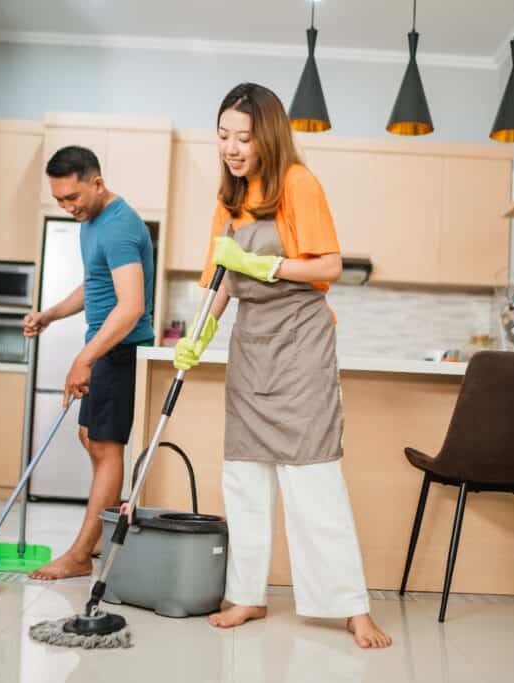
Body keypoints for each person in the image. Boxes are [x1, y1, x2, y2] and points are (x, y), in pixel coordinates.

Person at [174, 83, 392, 649]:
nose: (231, 147)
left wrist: (264, 265)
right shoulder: (228, 200)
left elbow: (330, 265)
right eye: (223, 136)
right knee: (244, 478)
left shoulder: (298, 182)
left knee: (313, 478)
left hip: (300, 346)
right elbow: (220, 282)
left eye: (243, 137)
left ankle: (350, 607)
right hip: (252, 348)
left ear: (266, 135)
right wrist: (198, 335)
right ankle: (246, 594)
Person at [23, 145, 155, 580]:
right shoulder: (92, 221)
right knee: (90, 437)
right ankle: (90, 546)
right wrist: (49, 315)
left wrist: (84, 358)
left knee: (104, 445)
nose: (67, 207)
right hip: (103, 350)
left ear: (97, 183)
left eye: (72, 198)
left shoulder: (119, 227)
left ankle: (81, 554)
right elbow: (94, 285)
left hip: (118, 351)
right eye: (59, 200)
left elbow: (131, 306)